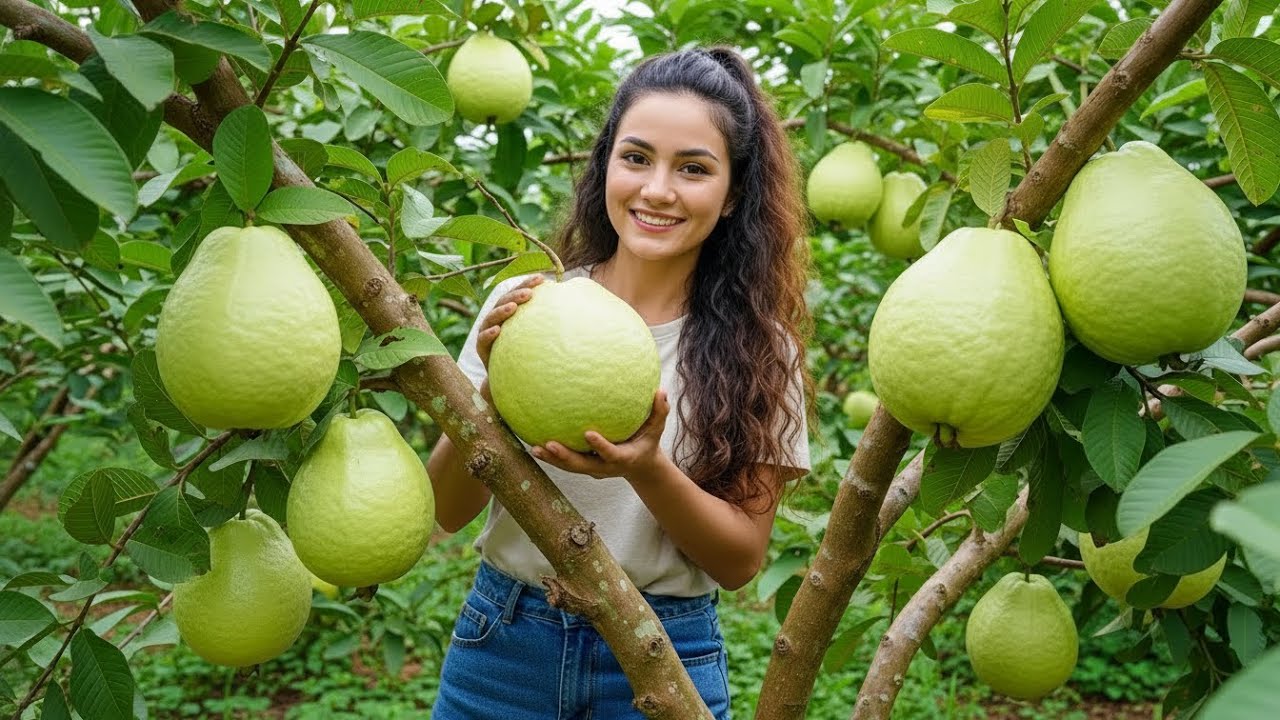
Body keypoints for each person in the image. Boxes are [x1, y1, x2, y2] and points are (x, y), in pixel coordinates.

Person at [427, 45, 813, 719]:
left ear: (733, 197)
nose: (657, 189)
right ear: (606, 165)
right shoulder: (519, 307)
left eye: (693, 169)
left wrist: (646, 469)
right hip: (505, 645)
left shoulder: (761, 352)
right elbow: (445, 509)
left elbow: (740, 560)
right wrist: (489, 402)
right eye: (636, 158)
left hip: (666, 650)